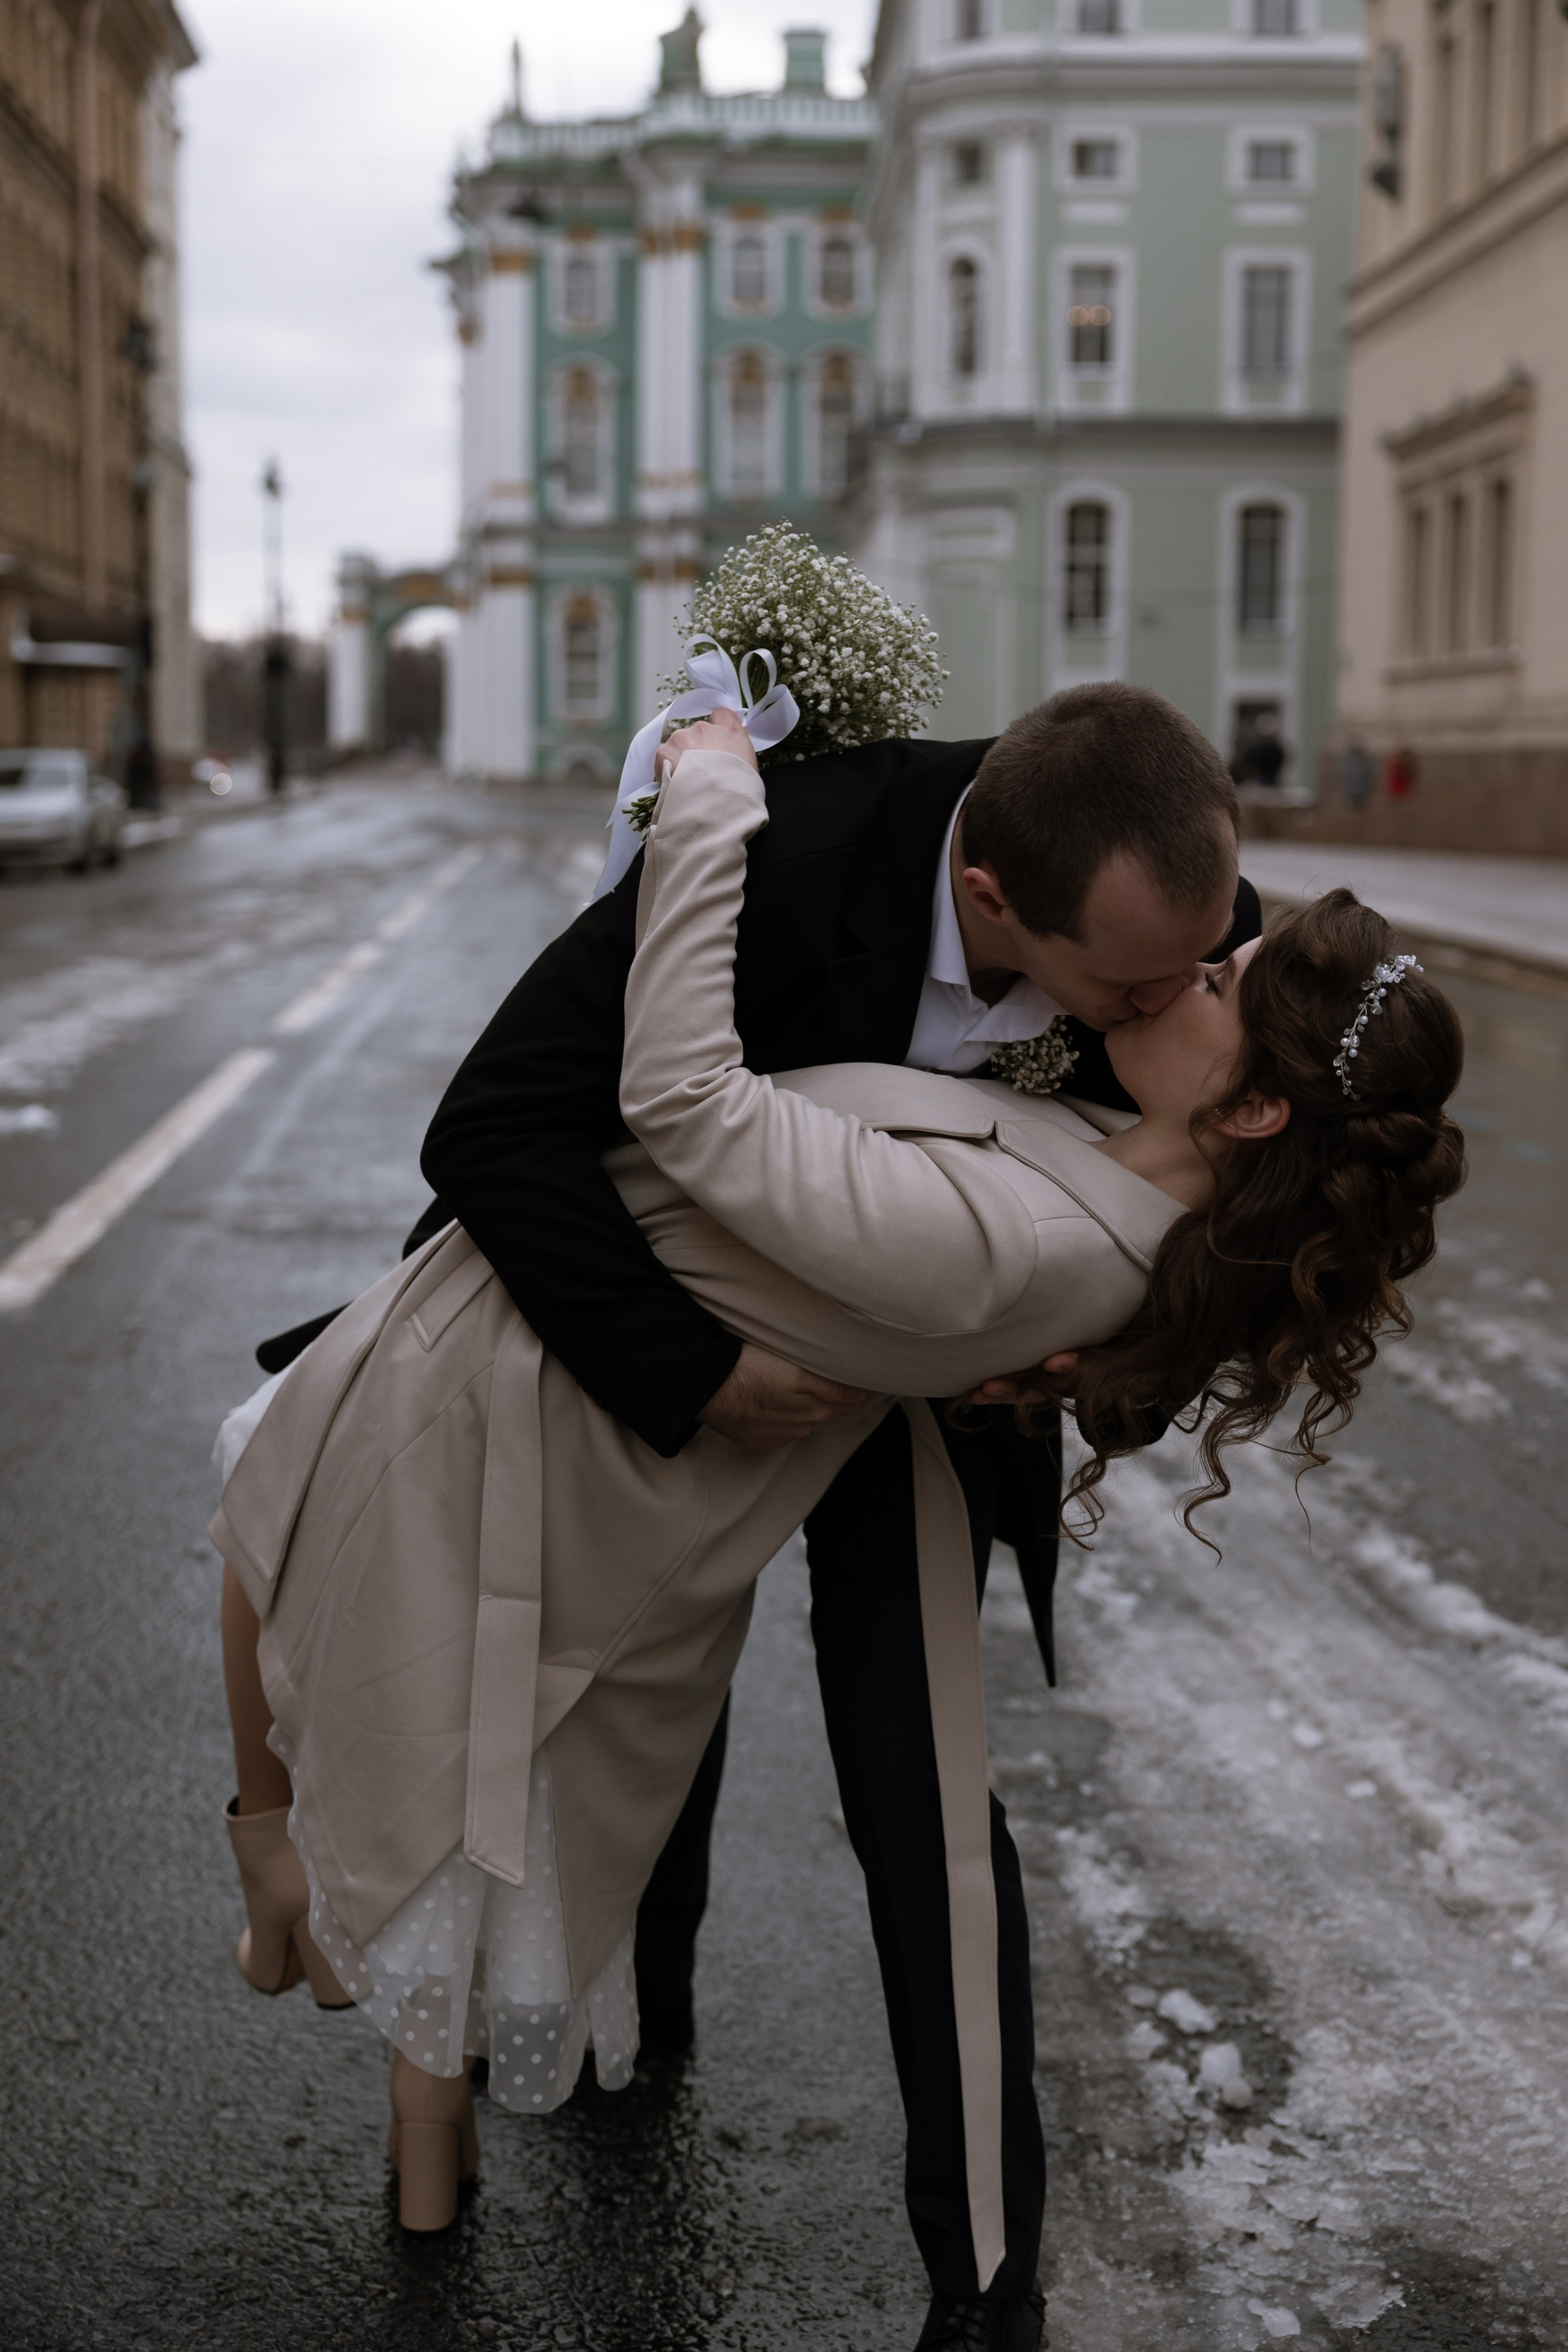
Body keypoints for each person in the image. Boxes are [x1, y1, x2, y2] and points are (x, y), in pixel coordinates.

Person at [215, 716, 1463, 2351]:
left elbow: (1276, 1165)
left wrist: (1108, 1361)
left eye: (1211, 965)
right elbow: (502, 1124)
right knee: (651, 1671)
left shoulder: (1174, 934)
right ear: (1002, 897)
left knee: (927, 1804)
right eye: (1152, 980)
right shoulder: (803, 853)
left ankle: (985, 2282)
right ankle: (635, 2021)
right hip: (689, 1336)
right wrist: (698, 1373)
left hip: (938, 1387)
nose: (1180, 985)